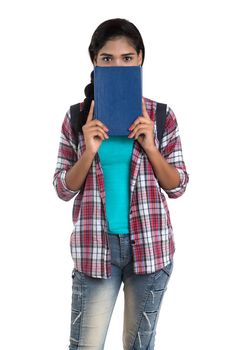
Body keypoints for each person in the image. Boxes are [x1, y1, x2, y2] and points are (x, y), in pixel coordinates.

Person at [53, 18, 189, 350]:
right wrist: (88, 150)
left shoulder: (160, 116)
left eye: (127, 58)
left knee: (139, 346)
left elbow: (178, 185)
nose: (118, 64)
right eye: (107, 58)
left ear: (140, 59)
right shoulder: (76, 118)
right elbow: (62, 188)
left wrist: (151, 146)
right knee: (85, 345)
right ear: (94, 61)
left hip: (150, 248)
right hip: (95, 250)